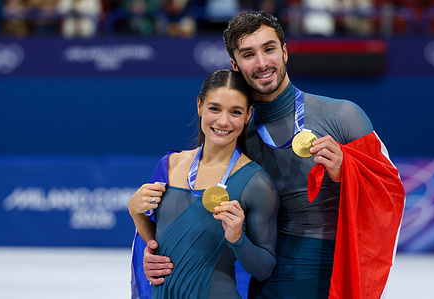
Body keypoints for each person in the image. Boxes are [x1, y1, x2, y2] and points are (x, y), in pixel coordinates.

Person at [142, 10, 406, 299]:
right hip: (262, 278)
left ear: (284, 51)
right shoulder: (232, 131)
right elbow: (192, 203)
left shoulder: (344, 116)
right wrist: (155, 251)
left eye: (269, 49)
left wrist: (349, 172)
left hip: (333, 276)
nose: (262, 63)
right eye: (248, 54)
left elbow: (391, 193)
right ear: (235, 64)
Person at [129, 69, 280, 298]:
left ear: (248, 114)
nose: (223, 121)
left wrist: (238, 239)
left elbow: (264, 268)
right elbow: (158, 245)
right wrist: (136, 212)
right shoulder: (170, 165)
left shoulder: (257, 184)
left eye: (235, 112)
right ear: (200, 106)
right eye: (214, 108)